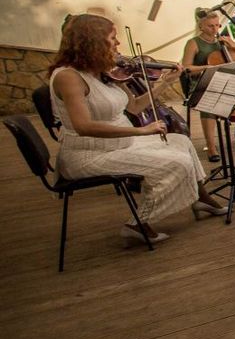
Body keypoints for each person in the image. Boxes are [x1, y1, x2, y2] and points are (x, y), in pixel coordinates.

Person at [49, 14, 224, 243]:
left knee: (180, 141)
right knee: (176, 163)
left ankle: (200, 197)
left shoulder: (100, 71)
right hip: (88, 154)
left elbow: (134, 106)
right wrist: (141, 131)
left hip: (118, 144)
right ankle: (139, 223)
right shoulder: (68, 77)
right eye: (113, 38)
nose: (118, 44)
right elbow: (83, 127)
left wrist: (165, 82)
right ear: (92, 41)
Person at [181, 8, 235, 162]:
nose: (215, 29)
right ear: (201, 27)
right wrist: (208, 68)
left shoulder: (223, 42)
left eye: (217, 25)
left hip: (224, 80)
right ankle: (211, 147)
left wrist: (232, 43)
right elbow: (186, 68)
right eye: (210, 26)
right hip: (202, 83)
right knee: (209, 99)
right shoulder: (193, 43)